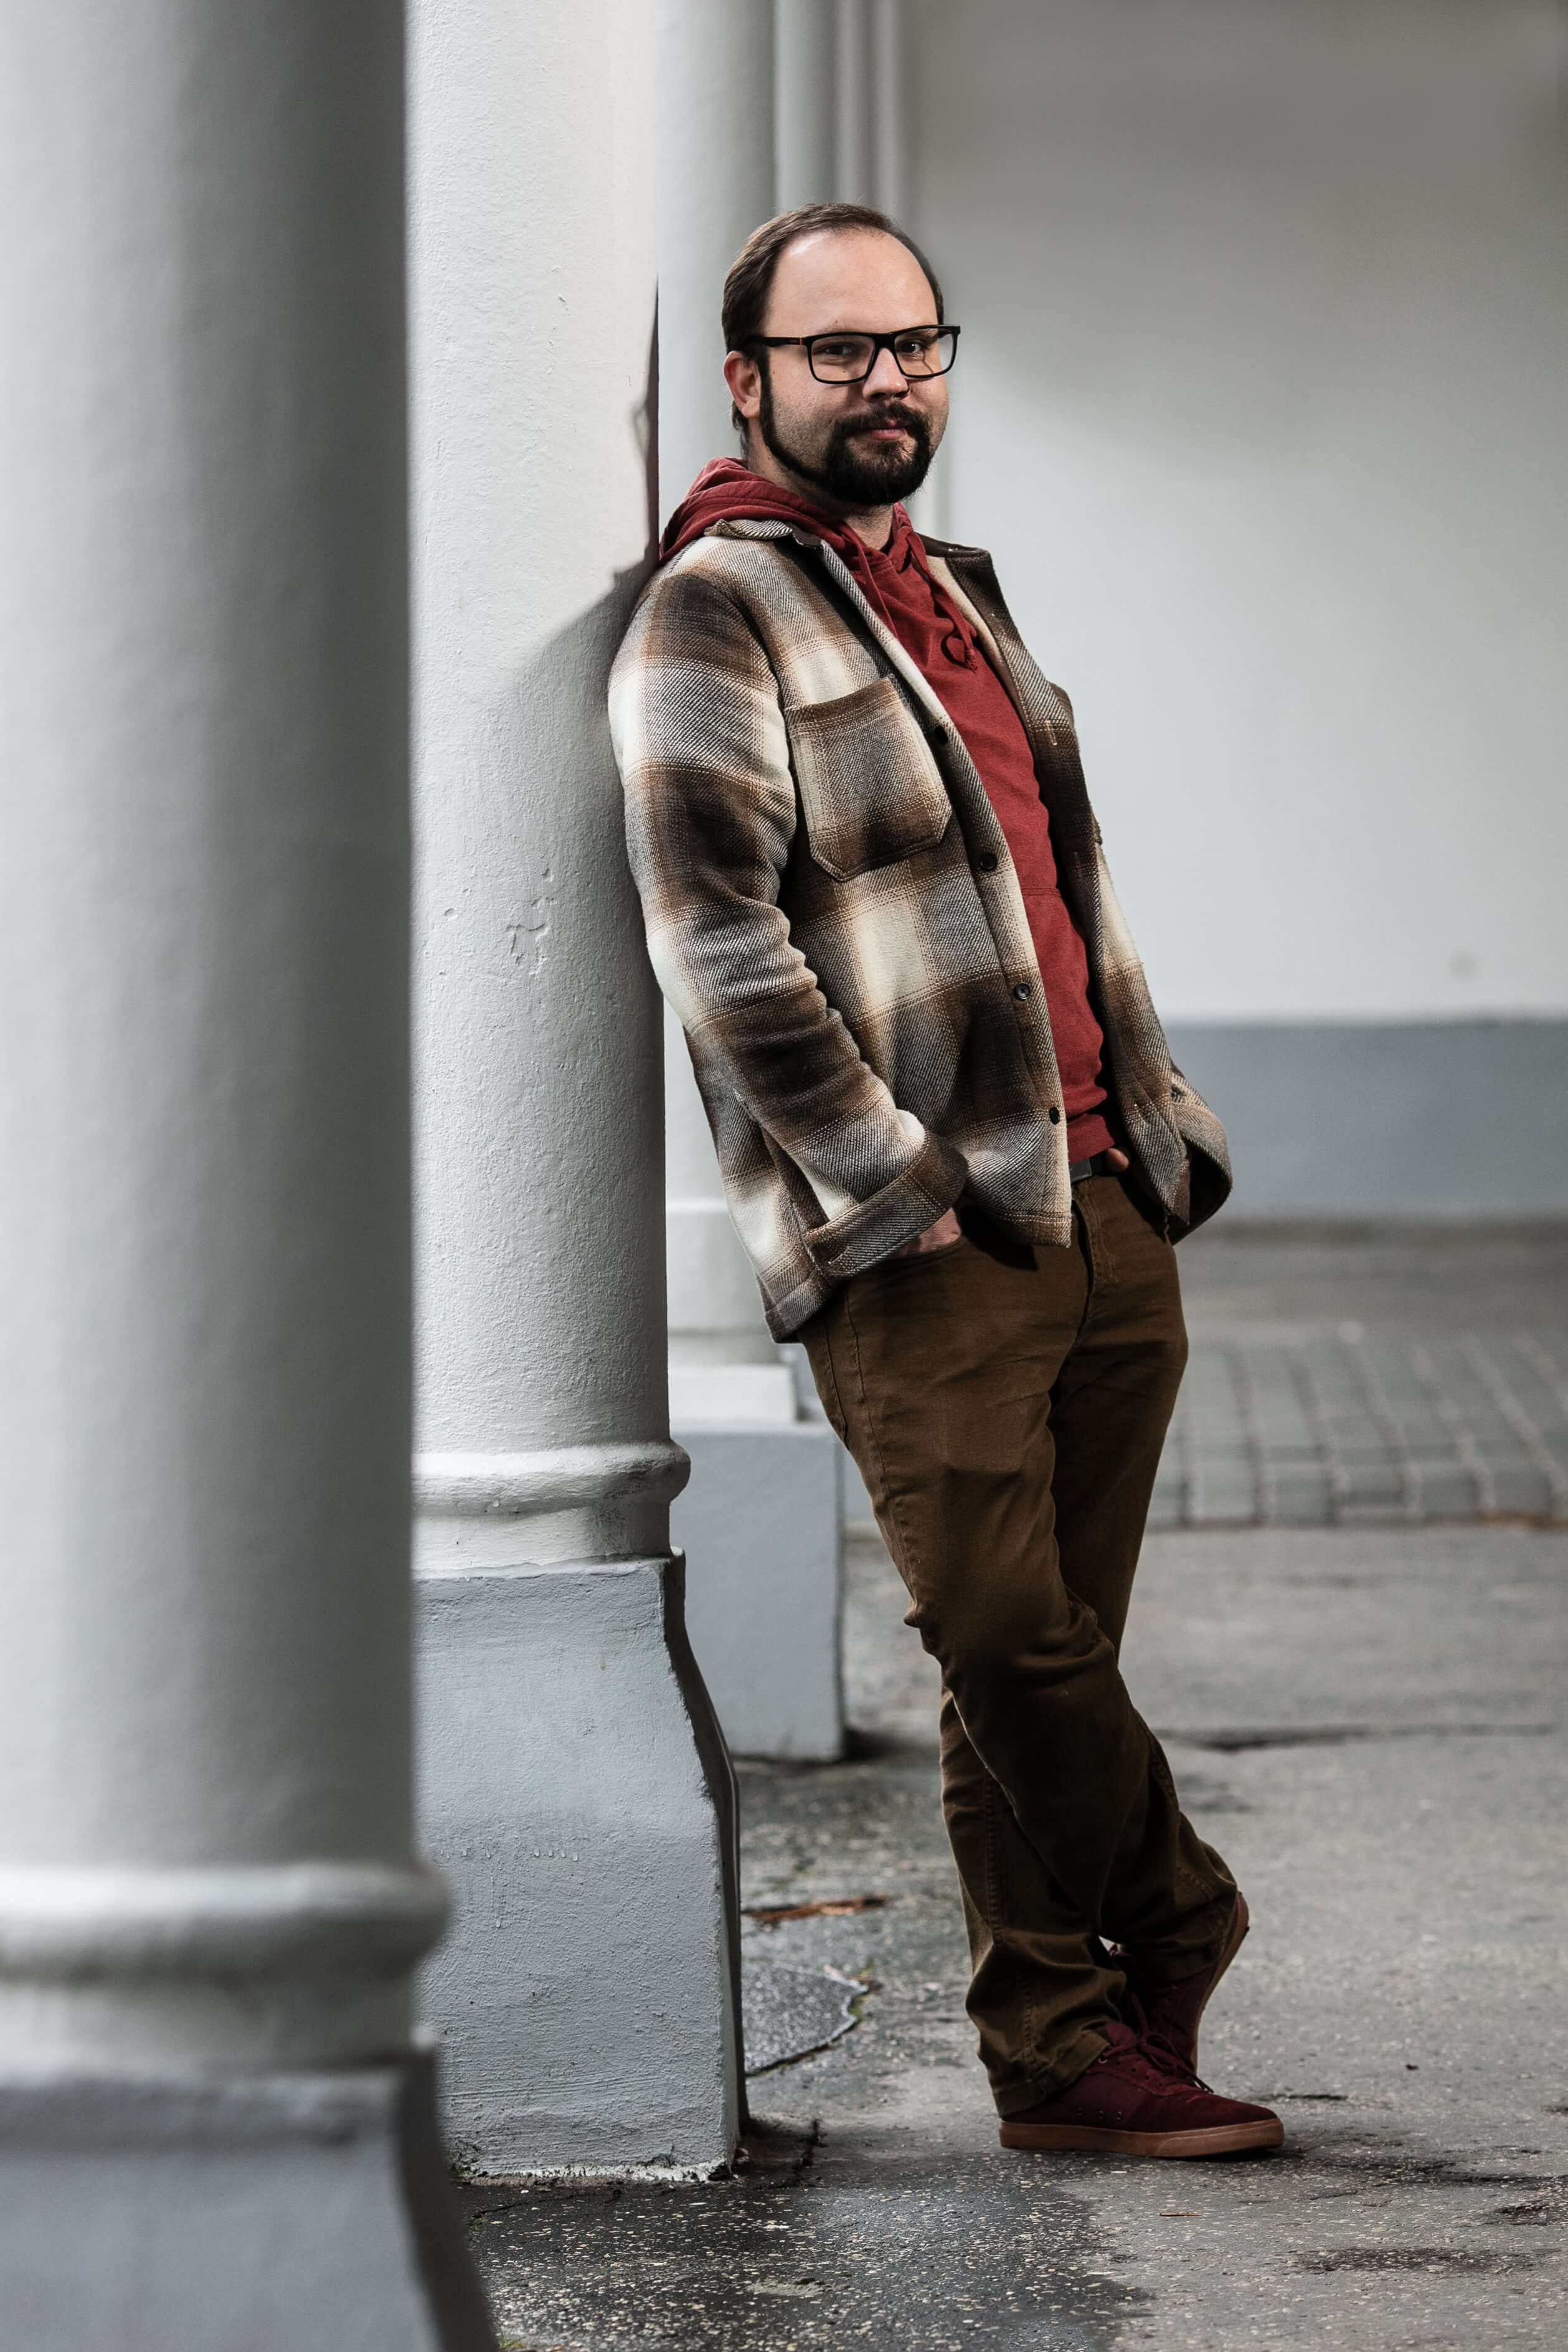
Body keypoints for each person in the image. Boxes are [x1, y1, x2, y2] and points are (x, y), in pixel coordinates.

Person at [610, 202, 1282, 2161]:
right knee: (1002, 1629)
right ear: (749, 380)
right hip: (929, 1237)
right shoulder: (716, 610)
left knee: (1051, 1654)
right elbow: (718, 945)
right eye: (838, 350)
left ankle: (1059, 2048)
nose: (888, 380)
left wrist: (1157, 1129)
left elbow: (1059, 885)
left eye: (914, 344)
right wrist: (894, 1185)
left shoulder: (954, 590)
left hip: (1107, 1195)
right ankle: (1177, 1913)